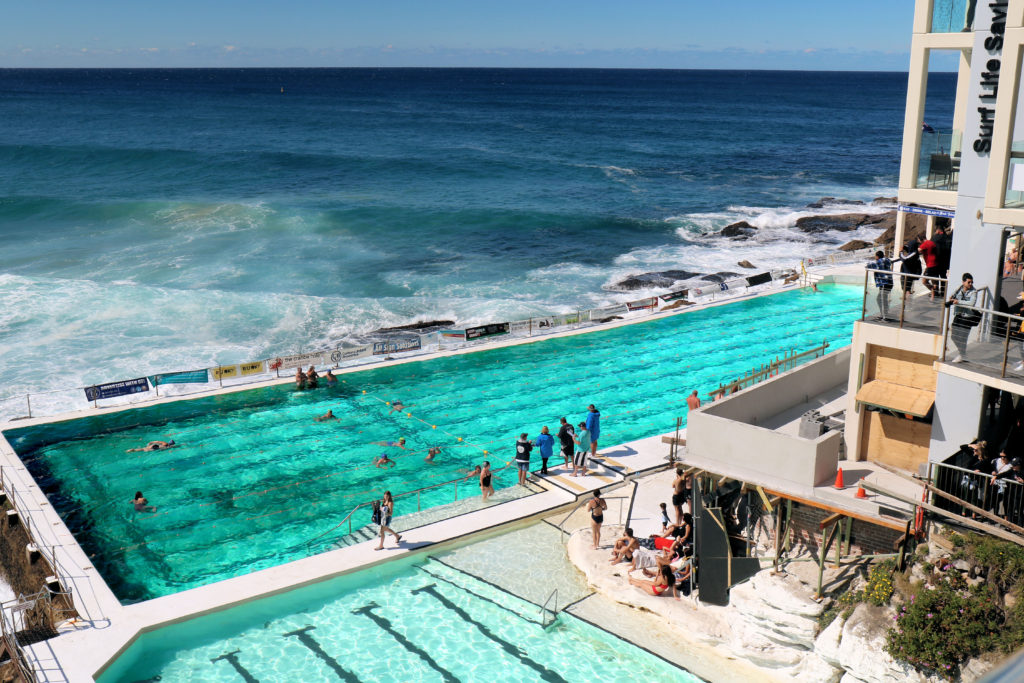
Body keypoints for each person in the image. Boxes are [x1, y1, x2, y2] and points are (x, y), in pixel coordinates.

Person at [946, 272, 979, 363]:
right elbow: (952, 296)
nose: (971, 284)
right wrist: (951, 299)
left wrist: (958, 302)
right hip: (959, 314)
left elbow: (971, 303)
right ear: (963, 282)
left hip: (968, 317)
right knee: (953, 336)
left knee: (963, 337)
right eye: (969, 282)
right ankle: (963, 354)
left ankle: (962, 355)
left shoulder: (974, 292)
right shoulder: (959, 288)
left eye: (972, 282)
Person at [868, 250, 894, 321]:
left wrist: (868, 264)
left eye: (875, 256)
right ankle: (884, 314)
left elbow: (869, 265)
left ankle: (885, 317)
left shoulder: (879, 262)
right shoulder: (887, 261)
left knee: (881, 299)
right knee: (882, 299)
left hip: (884, 283)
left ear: (877, 256)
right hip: (889, 283)